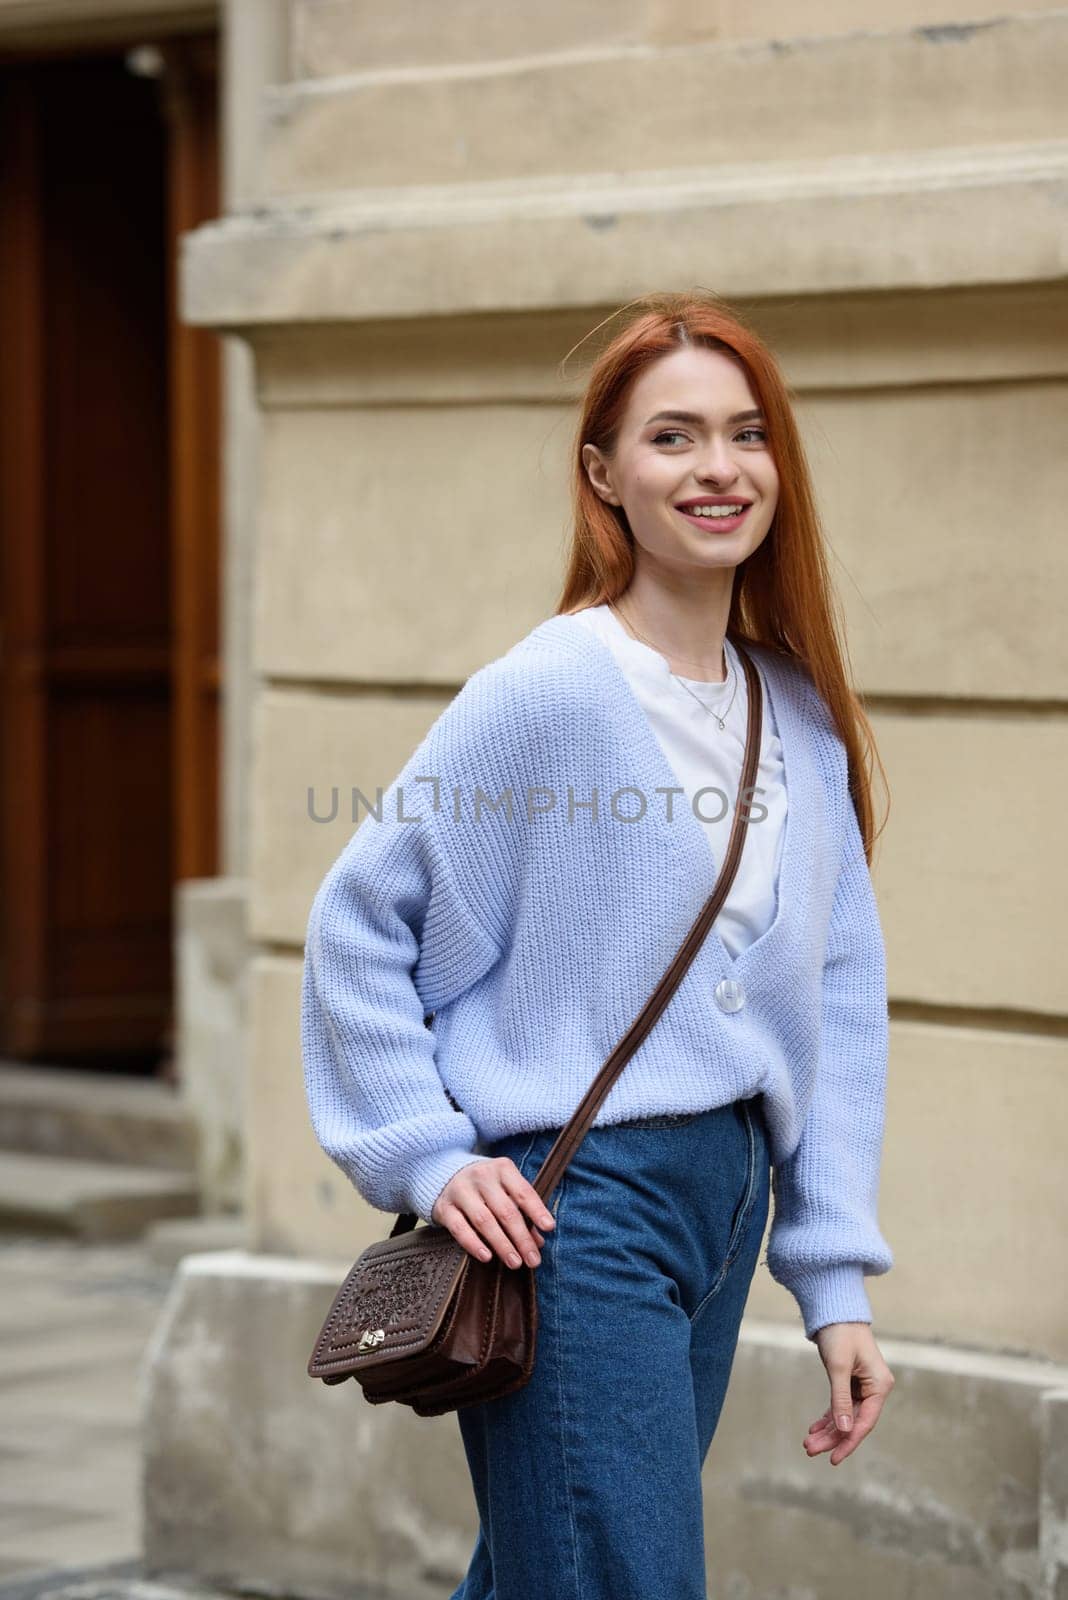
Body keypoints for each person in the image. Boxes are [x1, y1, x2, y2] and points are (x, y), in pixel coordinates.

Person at [300, 289, 897, 1599]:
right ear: (605, 475)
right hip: (578, 1209)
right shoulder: (549, 691)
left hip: (727, 1201)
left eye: (747, 434)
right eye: (673, 437)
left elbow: (840, 996)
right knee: (621, 1574)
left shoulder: (793, 709)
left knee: (550, 1567)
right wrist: (426, 1154)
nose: (719, 467)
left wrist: (834, 1275)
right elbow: (360, 923)